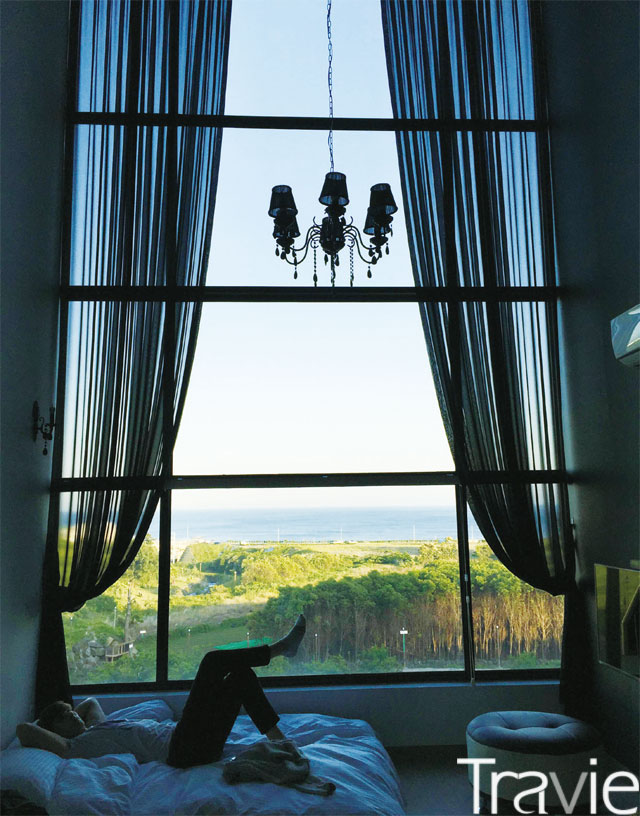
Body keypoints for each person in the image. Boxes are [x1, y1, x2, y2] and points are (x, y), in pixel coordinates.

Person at [17, 614, 306, 768]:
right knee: (211, 661)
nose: (74, 715)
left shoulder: (97, 728)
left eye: (71, 712)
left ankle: (280, 740)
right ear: (56, 731)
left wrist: (70, 716)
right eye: (66, 717)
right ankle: (281, 648)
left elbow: (90, 702)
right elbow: (24, 729)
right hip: (183, 749)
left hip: (190, 740)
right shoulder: (75, 748)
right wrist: (53, 727)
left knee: (241, 676)